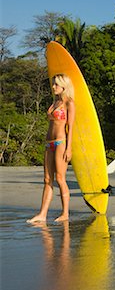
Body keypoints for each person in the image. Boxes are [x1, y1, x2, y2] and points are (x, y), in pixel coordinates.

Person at [28, 74, 75, 222]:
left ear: (64, 86)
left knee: (60, 178)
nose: (53, 87)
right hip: (49, 143)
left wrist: (69, 148)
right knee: (47, 179)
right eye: (53, 84)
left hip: (61, 142)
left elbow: (71, 127)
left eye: (56, 84)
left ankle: (65, 213)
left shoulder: (69, 103)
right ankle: (42, 214)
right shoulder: (55, 102)